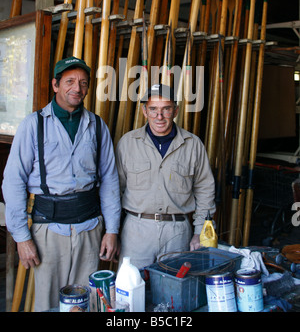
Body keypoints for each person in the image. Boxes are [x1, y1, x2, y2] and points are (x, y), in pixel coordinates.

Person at [2, 56, 121, 311]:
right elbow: (13, 182)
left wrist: (111, 231)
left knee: (88, 302)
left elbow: (110, 180)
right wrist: (22, 238)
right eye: (69, 81)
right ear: (55, 85)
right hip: (48, 232)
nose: (77, 88)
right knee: (48, 304)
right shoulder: (33, 125)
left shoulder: (97, 126)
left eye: (83, 83)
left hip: (89, 228)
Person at [115, 83, 216, 270]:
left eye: (166, 109)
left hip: (178, 232)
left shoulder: (193, 145)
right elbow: (114, 191)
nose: (159, 116)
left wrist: (200, 232)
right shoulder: (127, 143)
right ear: (144, 111)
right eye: (153, 109)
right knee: (132, 292)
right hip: (136, 230)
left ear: (175, 110)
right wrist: (113, 233)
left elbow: (205, 190)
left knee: (175, 292)